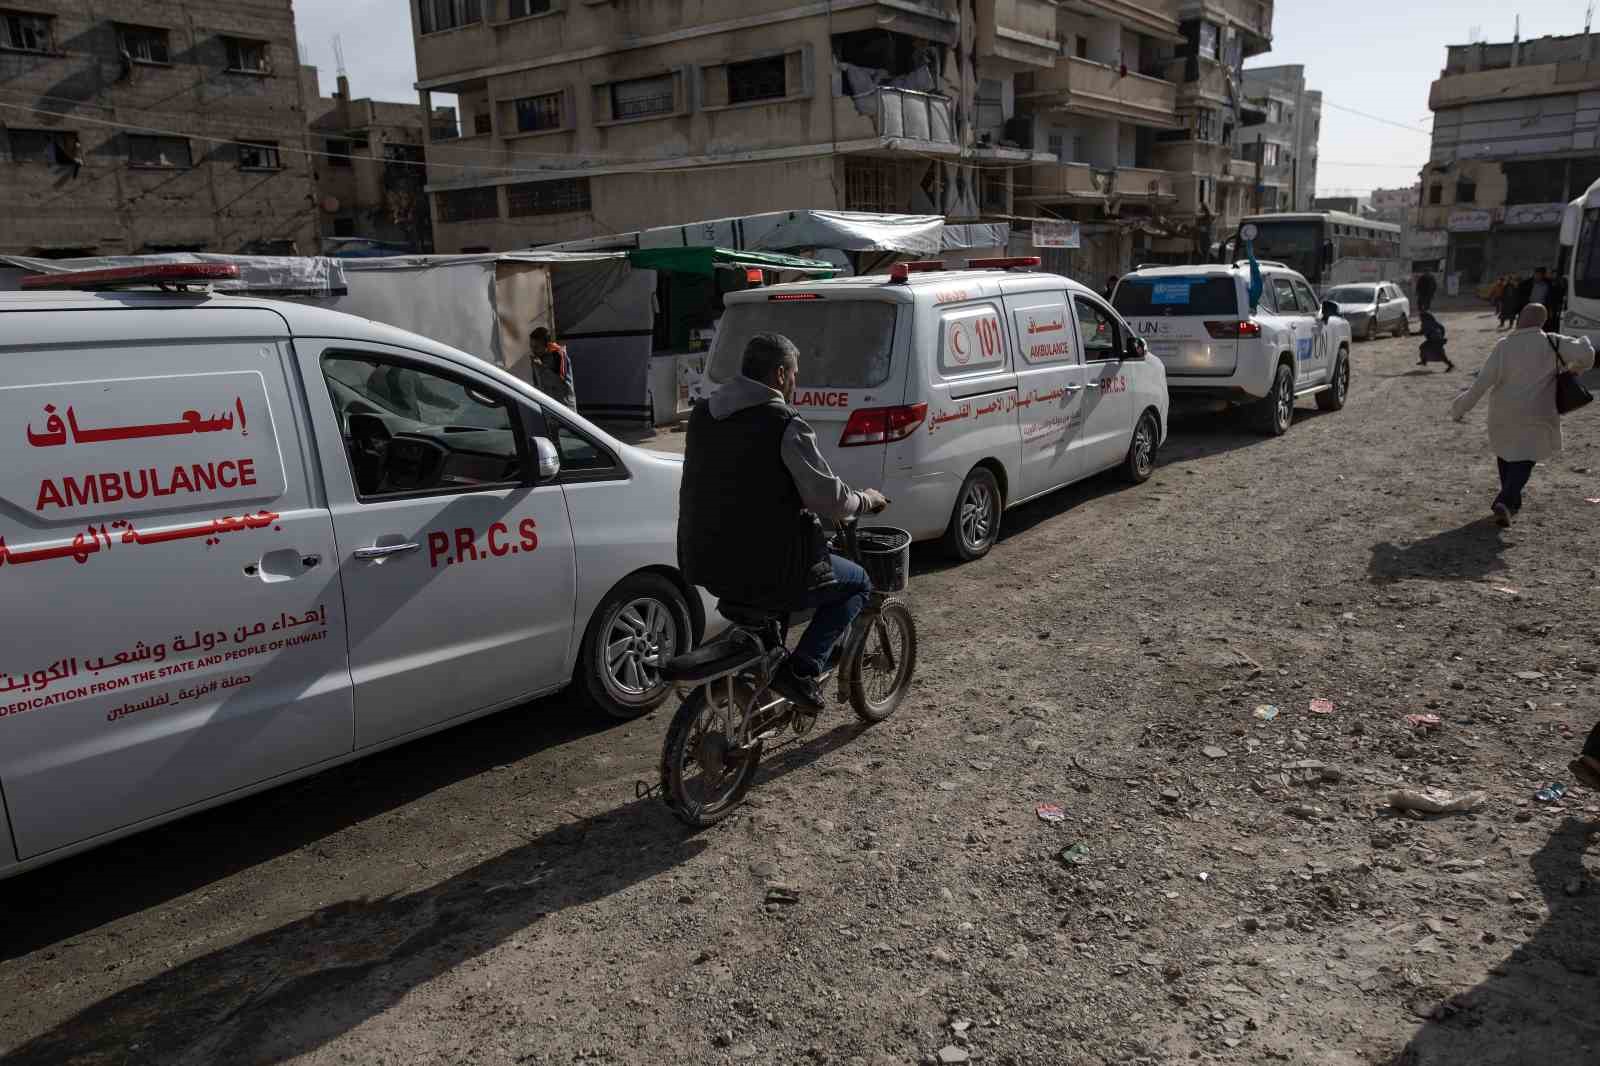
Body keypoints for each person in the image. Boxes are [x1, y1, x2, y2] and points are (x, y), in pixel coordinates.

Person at [677, 333, 889, 712]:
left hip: (705, 560)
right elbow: (830, 500)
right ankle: (802, 671)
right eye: (794, 374)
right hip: (769, 568)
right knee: (857, 583)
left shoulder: (703, 414)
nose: (795, 383)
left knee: (784, 573)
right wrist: (865, 500)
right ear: (779, 374)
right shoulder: (783, 422)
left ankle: (767, 669)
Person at [1450, 302, 1596, 526]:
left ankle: (1510, 503)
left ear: (1520, 319)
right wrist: (1575, 369)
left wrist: (1460, 408)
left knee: (1506, 452)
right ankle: (1507, 501)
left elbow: (1481, 383)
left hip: (1503, 412)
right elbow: (1587, 353)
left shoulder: (1504, 346)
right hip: (1538, 412)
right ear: (1542, 322)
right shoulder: (1554, 342)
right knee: (1526, 457)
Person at [529, 326, 576, 410]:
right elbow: (537, 385)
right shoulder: (537, 359)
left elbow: (562, 384)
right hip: (547, 408)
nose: (533, 350)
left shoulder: (559, 355)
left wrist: (542, 368)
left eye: (536, 347)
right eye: (531, 346)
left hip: (563, 409)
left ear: (547, 345)